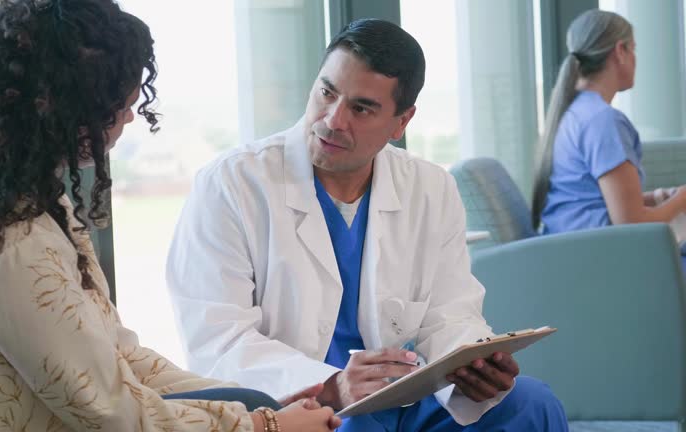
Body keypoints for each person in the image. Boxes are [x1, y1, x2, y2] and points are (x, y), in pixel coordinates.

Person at [0, 1, 340, 431]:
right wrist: (266, 426)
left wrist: (255, 409)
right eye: (120, 105)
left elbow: (118, 356)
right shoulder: (7, 239)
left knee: (248, 397)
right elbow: (109, 411)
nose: (130, 116)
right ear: (69, 110)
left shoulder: (29, 202)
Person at [167, 18, 568, 431]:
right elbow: (217, 340)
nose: (333, 120)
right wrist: (331, 385)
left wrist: (472, 364)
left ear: (401, 122)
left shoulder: (430, 187)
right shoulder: (231, 184)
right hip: (298, 406)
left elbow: (449, 313)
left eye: (361, 108)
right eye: (327, 92)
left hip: (399, 396)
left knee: (530, 405)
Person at [532, 9, 686, 237]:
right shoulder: (603, 121)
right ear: (620, 51)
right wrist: (682, 198)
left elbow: (590, 205)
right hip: (601, 256)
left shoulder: (577, 113)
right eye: (633, 49)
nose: (635, 58)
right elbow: (632, 224)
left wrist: (656, 198)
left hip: (577, 249)